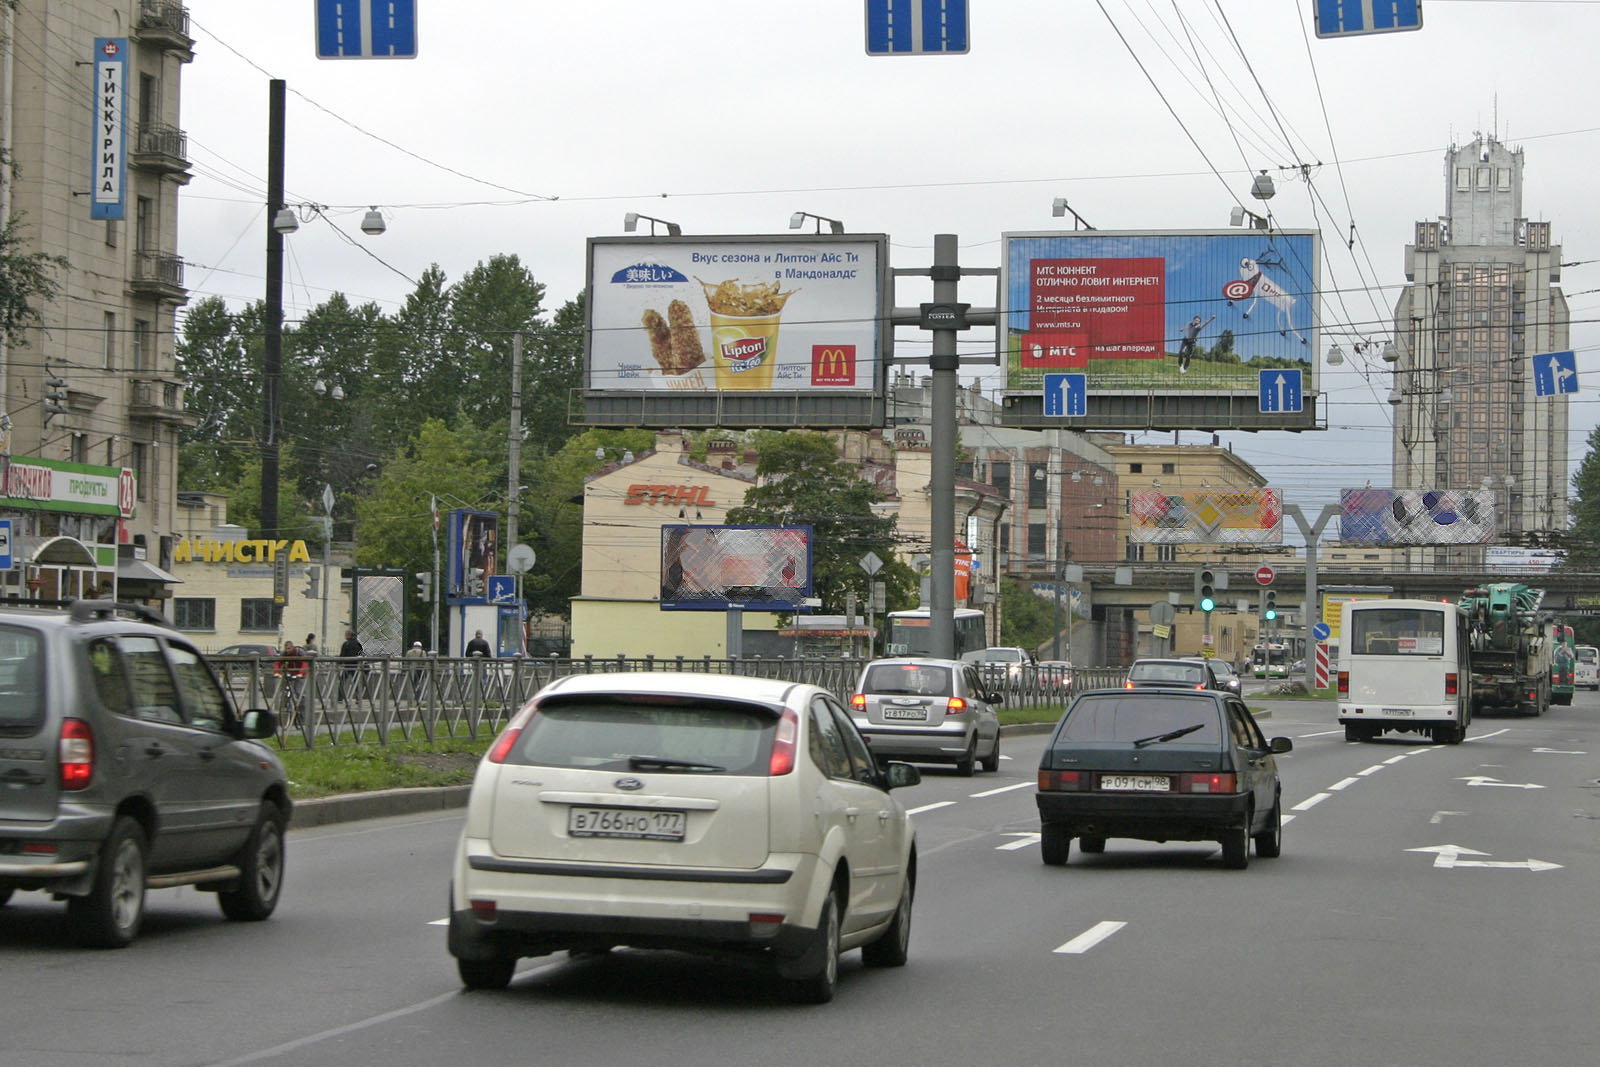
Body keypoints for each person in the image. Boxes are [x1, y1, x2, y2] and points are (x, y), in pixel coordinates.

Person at [337, 629, 364, 699]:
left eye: (345, 635)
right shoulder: (358, 643)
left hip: (347, 665)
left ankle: (340, 697)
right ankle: (358, 697)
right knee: (355, 682)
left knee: (342, 682)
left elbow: (342, 655)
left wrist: (339, 662)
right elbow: (361, 654)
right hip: (355, 665)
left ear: (348, 635)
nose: (345, 636)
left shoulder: (346, 644)